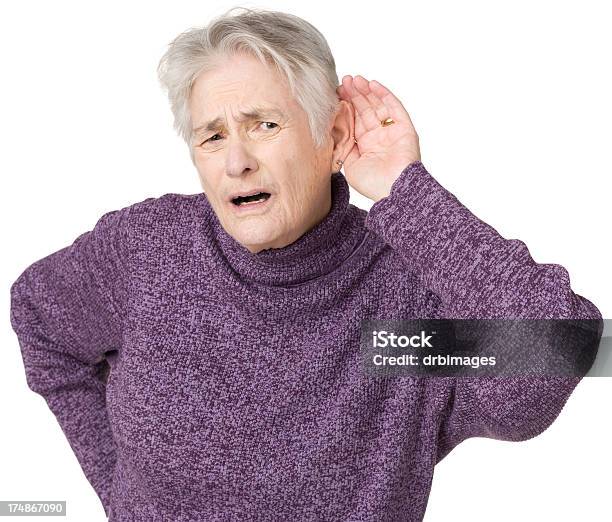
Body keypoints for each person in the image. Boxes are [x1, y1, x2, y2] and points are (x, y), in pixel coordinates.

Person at [9, 6, 602, 521]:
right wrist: (118, 491)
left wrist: (405, 191)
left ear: (332, 132)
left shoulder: (404, 301)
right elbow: (39, 316)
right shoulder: (147, 251)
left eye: (265, 125)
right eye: (211, 137)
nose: (236, 161)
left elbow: (554, 356)